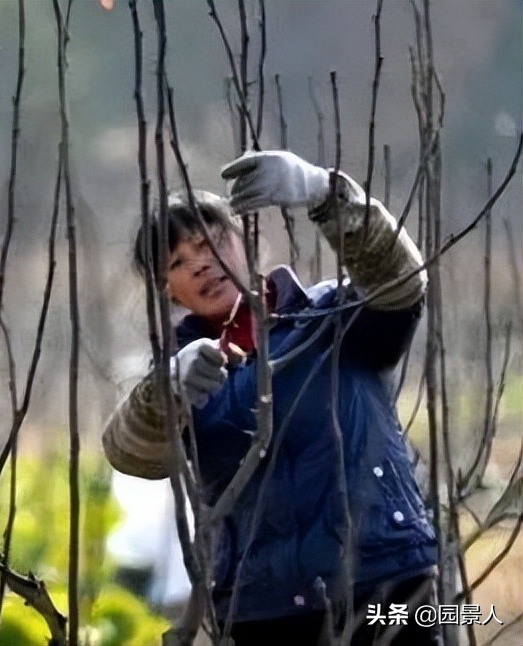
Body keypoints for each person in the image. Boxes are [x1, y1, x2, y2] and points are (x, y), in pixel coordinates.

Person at [102, 150, 441, 645]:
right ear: (167, 288)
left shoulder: (331, 317)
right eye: (178, 261)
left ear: (245, 238)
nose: (201, 265)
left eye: (211, 241)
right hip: (266, 610)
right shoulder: (182, 374)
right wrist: (165, 390)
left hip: (388, 583)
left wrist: (327, 194)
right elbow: (131, 453)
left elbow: (402, 283)